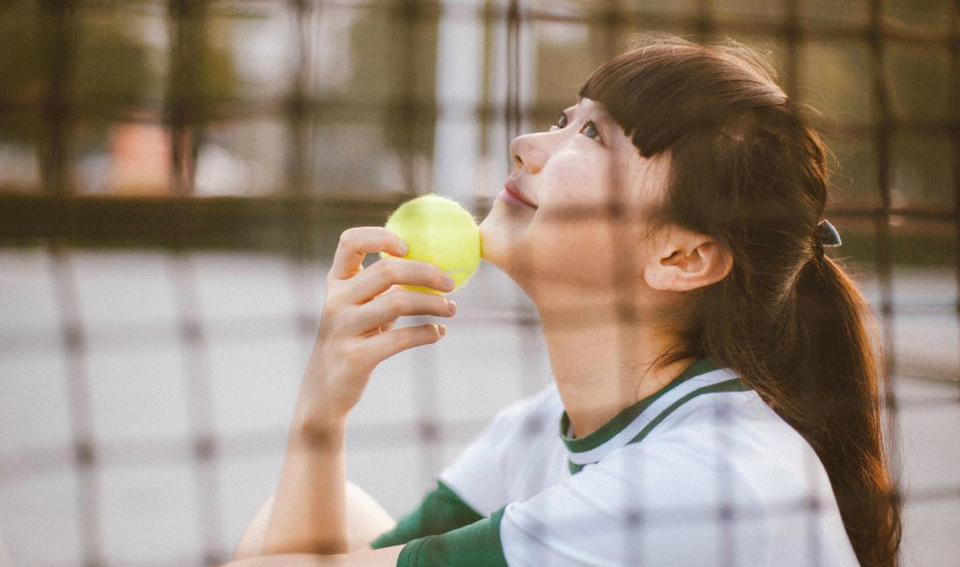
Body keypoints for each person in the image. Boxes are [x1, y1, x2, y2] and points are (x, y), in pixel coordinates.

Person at [226, 35, 901, 567]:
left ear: (682, 257)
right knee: (334, 513)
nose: (525, 145)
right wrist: (324, 402)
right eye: (563, 118)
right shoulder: (543, 423)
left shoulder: (702, 485)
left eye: (592, 135)